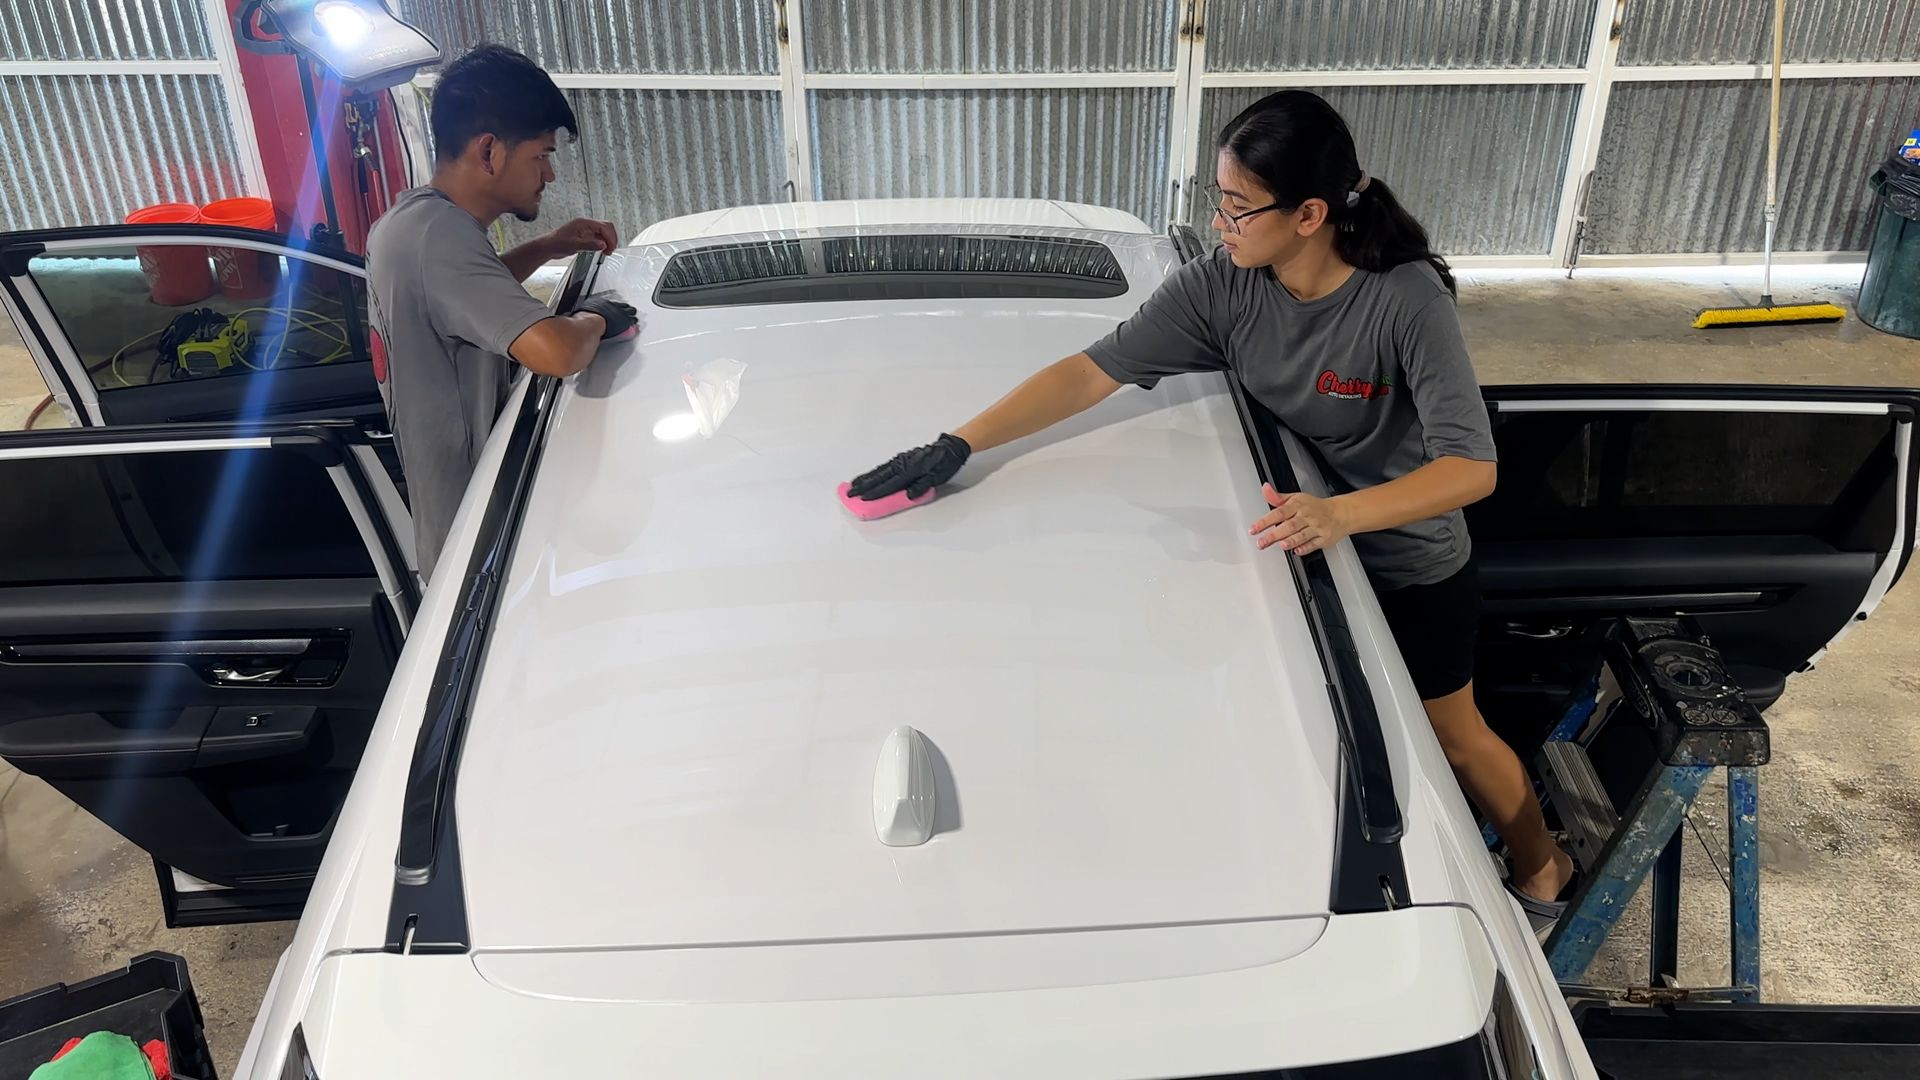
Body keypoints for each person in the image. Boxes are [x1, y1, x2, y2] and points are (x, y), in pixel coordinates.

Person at [848, 89, 1576, 926]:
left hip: (1407, 564)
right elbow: (1090, 371)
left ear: (1309, 215)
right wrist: (959, 443)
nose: (1220, 223)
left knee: (1451, 736)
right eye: (1215, 200)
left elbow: (1471, 468)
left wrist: (1340, 514)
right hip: (1301, 566)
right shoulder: (1224, 287)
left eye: (1238, 206)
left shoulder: (1403, 300)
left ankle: (1542, 863)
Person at [366, 43, 637, 582]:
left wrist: (549, 246)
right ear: (489, 151)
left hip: (458, 529)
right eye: (541, 155)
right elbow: (558, 353)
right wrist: (599, 316)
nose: (549, 175)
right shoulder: (439, 237)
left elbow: (462, 300)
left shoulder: (410, 221)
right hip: (478, 551)